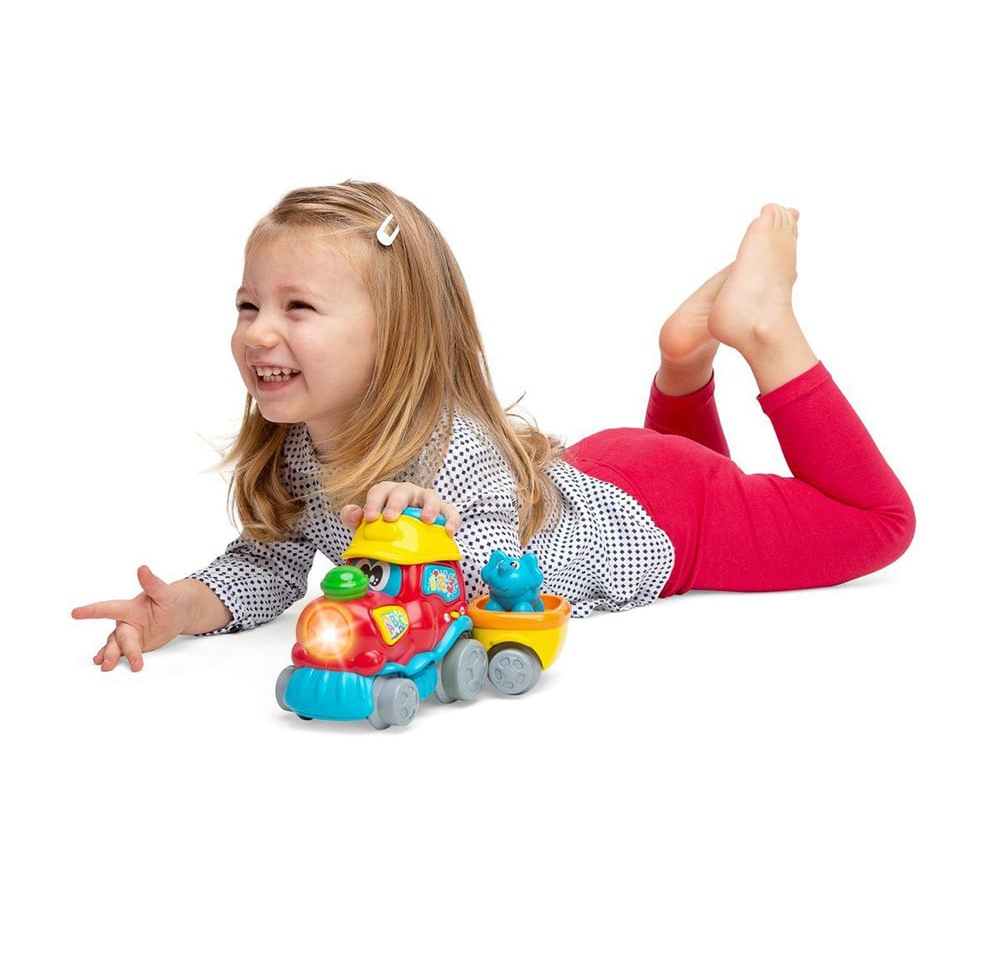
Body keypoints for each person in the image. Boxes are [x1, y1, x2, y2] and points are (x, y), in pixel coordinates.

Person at [72, 182, 915, 672]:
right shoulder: (297, 451)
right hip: (603, 474)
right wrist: (183, 607)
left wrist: (429, 530)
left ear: (395, 335)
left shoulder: (452, 448)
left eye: (298, 308)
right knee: (694, 470)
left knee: (877, 524)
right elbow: (270, 562)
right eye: (247, 304)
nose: (259, 332)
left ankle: (766, 329)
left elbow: (489, 592)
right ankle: (683, 366)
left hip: (669, 521)